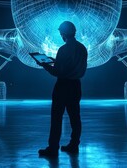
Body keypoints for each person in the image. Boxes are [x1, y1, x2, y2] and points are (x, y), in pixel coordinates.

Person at [37, 21, 88, 158]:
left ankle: (53, 148)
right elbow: (73, 65)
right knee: (75, 117)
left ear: (63, 34)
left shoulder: (63, 50)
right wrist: (56, 60)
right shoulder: (82, 48)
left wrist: (44, 64)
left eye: (61, 33)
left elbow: (57, 72)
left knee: (57, 118)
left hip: (63, 86)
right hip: (76, 85)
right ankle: (74, 145)